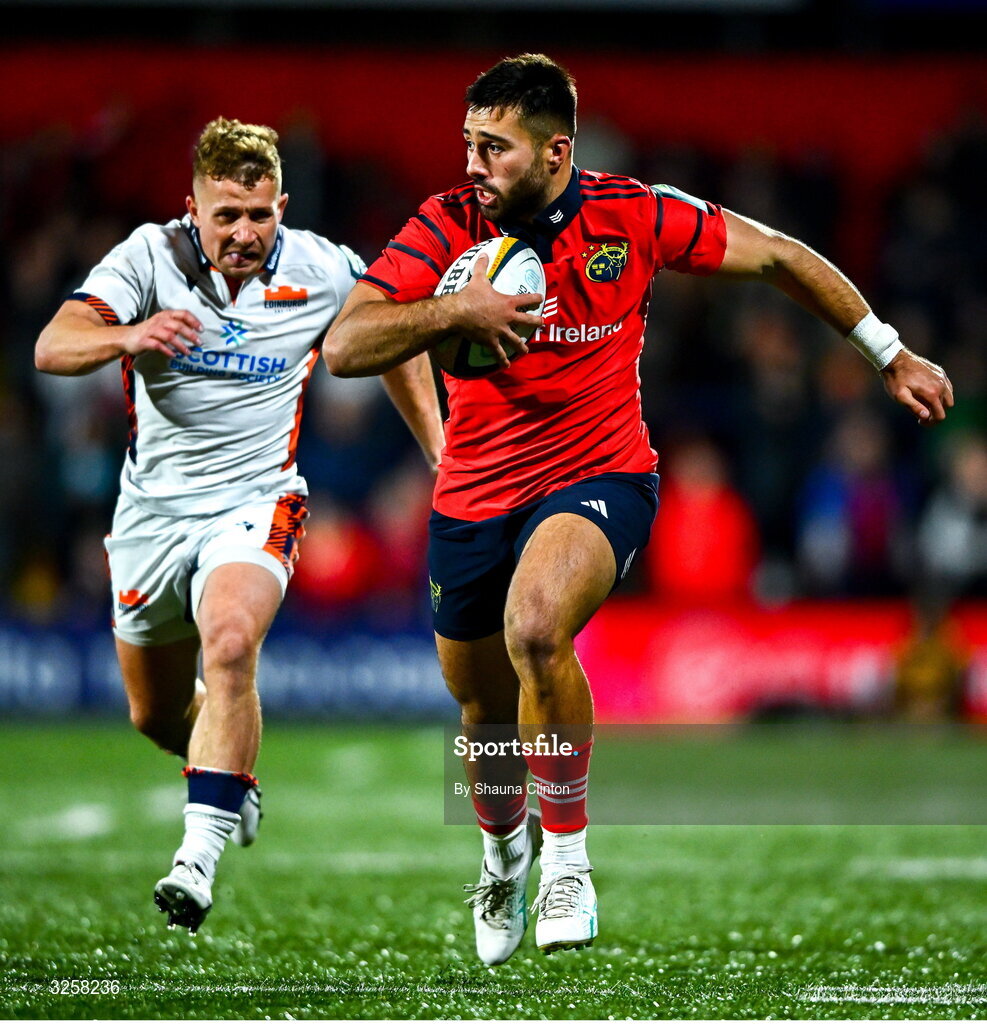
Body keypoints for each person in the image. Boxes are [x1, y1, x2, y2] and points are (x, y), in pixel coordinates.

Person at [323, 54, 953, 965]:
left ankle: (568, 859)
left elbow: (777, 254)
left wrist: (886, 350)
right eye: (467, 143)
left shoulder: (632, 214)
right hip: (474, 492)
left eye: (493, 148)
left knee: (535, 628)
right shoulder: (445, 225)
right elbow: (349, 343)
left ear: (555, 153)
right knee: (480, 710)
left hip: (599, 475)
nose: (472, 164)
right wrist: (453, 310)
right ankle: (502, 853)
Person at [35, 117, 443, 935]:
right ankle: (233, 776)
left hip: (256, 502)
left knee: (228, 644)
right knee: (154, 715)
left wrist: (439, 447)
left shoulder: (324, 268)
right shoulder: (148, 259)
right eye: (226, 216)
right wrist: (129, 333)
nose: (245, 233)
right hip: (151, 515)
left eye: (259, 214)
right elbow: (54, 345)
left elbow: (391, 333)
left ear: (281, 205)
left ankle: (196, 857)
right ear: (192, 207)